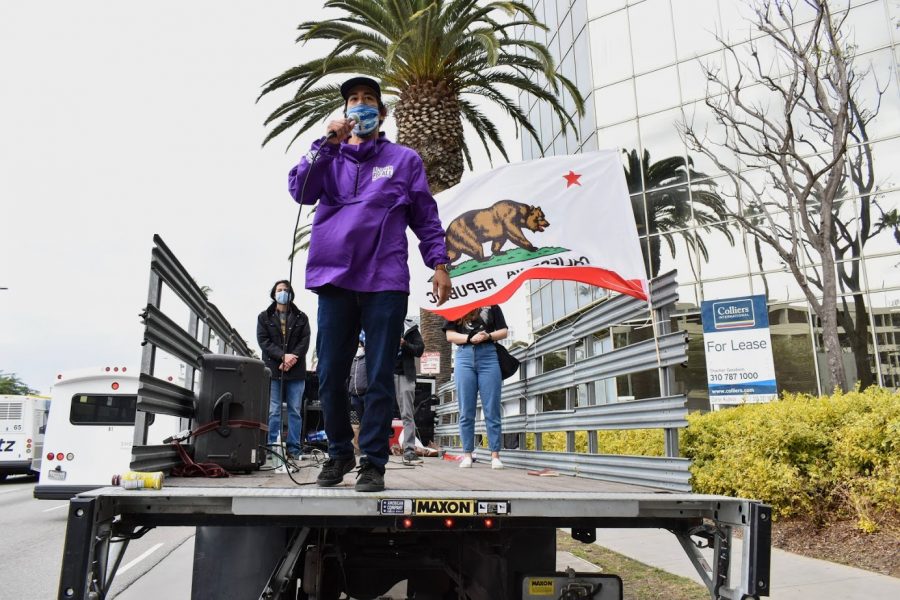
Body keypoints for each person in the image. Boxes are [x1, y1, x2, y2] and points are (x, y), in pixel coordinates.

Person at [288, 75, 451, 492]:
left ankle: (374, 462)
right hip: (335, 278)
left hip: (384, 279)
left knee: (379, 375)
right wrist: (325, 142)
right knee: (329, 374)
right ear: (344, 114)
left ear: (381, 114)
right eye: (352, 101)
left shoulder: (404, 160)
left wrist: (439, 263)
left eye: (368, 101)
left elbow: (426, 219)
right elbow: (299, 190)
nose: (359, 107)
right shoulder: (330, 157)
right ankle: (341, 452)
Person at [442, 305, 509, 469]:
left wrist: (488, 336)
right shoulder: (459, 303)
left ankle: (495, 455)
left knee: (492, 408)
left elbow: (504, 331)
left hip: (489, 355)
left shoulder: (492, 305)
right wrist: (469, 338)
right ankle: (467, 454)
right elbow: (449, 335)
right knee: (466, 409)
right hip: (464, 355)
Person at [257, 280, 311, 461]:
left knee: (295, 410)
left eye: (285, 290)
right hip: (273, 370)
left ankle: (294, 448)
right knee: (274, 410)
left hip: (296, 371)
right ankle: (273, 446)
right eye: (279, 290)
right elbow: (264, 341)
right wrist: (282, 356)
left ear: (291, 293)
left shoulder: (301, 317)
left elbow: (305, 341)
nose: (282, 292)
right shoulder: (264, 317)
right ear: (273, 294)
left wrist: (291, 358)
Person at [395, 318, 425, 465]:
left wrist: (404, 344)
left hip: (404, 375)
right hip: (383, 374)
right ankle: (375, 450)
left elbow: (420, 350)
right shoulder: (381, 321)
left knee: (407, 414)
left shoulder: (410, 327)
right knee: (378, 411)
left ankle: (409, 451)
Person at [348, 333, 367, 455]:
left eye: (360, 344)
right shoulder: (352, 359)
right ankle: (361, 448)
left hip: (366, 395)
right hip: (354, 396)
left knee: (367, 422)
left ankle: (366, 449)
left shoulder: (368, 358)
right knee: (361, 422)